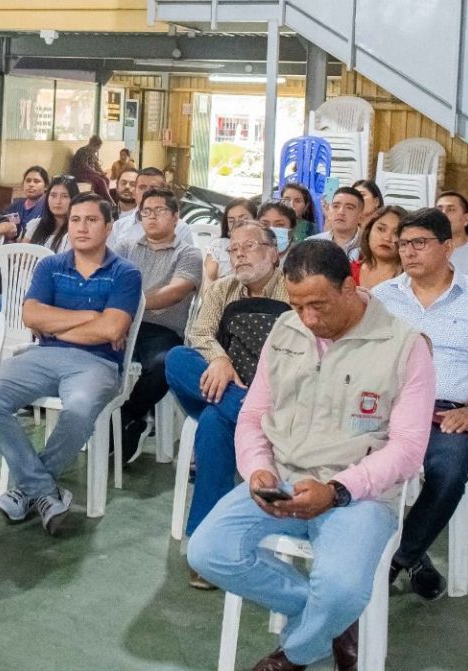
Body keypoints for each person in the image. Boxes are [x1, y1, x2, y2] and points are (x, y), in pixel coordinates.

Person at [188, 240, 434, 671]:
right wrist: (258, 470)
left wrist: (337, 491)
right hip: (281, 479)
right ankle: (332, 623)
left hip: (360, 494)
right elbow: (253, 416)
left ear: (349, 286)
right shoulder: (286, 331)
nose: (309, 319)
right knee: (207, 553)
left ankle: (297, 652)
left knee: (339, 588)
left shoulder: (405, 346)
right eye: (299, 305)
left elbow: (409, 450)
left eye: (318, 305)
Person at [372, 208, 468, 600]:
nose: (409, 252)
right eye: (403, 245)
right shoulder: (382, 297)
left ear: (447, 247)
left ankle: (398, 560)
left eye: (419, 243)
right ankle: (416, 560)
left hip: (448, 411)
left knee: (450, 469)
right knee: (343, 454)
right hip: (389, 408)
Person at [0, 193, 142, 536]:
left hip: (97, 363)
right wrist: (89, 316)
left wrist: (58, 323)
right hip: (43, 355)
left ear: (108, 226)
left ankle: (28, 489)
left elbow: (112, 329)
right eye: (75, 220)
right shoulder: (50, 266)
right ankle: (43, 490)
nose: (81, 227)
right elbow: (30, 314)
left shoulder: (125, 273)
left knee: (80, 409)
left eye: (91, 220)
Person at [166, 222, 289, 570]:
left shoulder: (293, 290)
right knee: (177, 359)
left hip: (273, 394)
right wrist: (219, 359)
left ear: (273, 251)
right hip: (224, 386)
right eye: (233, 249)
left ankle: (205, 542)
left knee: (213, 422)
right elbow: (200, 332)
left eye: (249, 246)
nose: (239, 255)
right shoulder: (222, 289)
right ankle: (256, 419)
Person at [118, 186, 204, 462]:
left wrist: (134, 303)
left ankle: (130, 415)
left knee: (164, 363)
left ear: (176, 216)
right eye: (146, 212)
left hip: (162, 330)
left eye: (160, 211)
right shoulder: (125, 247)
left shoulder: (188, 254)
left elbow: (176, 291)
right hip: (125, 324)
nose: (152, 217)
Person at [108, 166, 195, 253]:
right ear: (134, 193)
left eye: (153, 188)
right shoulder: (118, 227)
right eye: (142, 187)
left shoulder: (180, 229)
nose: (147, 192)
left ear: (164, 192)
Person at [204, 196, 260, 282]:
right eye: (231, 221)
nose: (237, 224)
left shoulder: (263, 246)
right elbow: (209, 284)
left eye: (244, 219)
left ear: (255, 219)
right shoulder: (218, 246)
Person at [353, 205, 407, 291]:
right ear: (369, 231)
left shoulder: (411, 280)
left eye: (396, 233)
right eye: (381, 229)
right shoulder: (347, 272)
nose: (387, 238)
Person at [26, 175, 80, 254]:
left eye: (65, 196)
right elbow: (22, 256)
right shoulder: (35, 225)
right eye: (53, 195)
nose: (58, 201)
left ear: (74, 199)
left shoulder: (79, 230)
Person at [320, 186, 366, 259]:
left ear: (360, 217)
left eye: (349, 208)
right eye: (335, 206)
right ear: (329, 213)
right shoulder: (312, 243)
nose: (341, 212)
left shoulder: (369, 247)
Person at [4, 165, 51, 231]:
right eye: (28, 181)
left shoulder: (49, 208)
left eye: (36, 181)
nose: (31, 184)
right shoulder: (15, 207)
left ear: (46, 186)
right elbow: (10, 231)